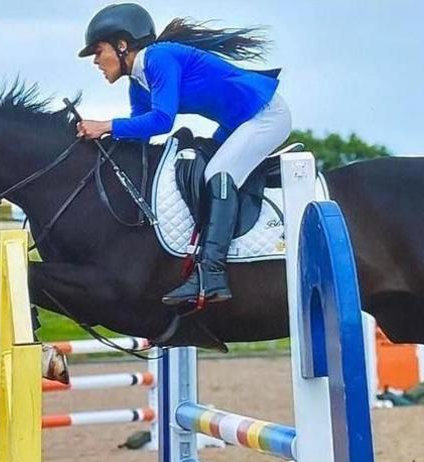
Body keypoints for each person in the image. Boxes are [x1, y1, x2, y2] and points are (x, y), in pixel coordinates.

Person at [76, 3, 292, 305]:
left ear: (121, 45)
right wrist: (100, 143)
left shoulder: (159, 58)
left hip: (266, 115)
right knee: (204, 173)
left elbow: (163, 120)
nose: (96, 61)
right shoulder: (139, 85)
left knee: (218, 174)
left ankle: (212, 274)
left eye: (98, 51)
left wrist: (105, 125)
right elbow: (146, 132)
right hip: (235, 124)